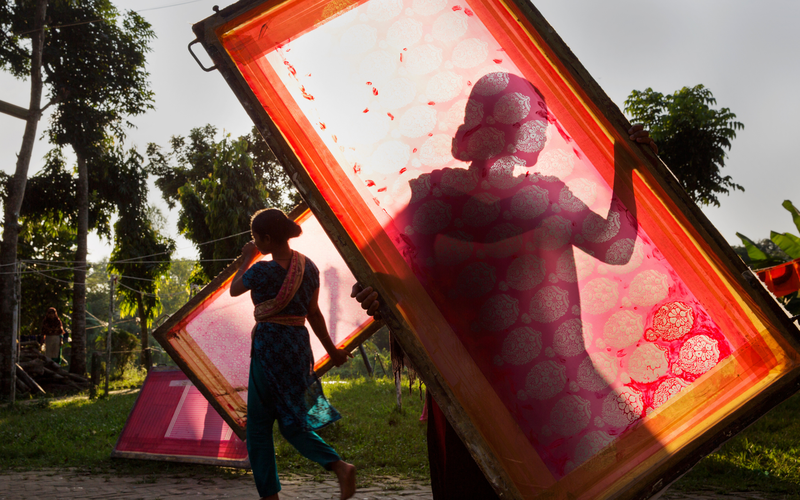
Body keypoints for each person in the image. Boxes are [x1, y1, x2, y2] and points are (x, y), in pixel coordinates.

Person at [350, 71, 656, 498]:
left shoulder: (544, 195)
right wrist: (376, 294)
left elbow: (616, 249)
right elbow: (397, 280)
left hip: (544, 390)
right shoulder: (434, 195)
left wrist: (626, 166)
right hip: (470, 390)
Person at [230, 208, 357, 500]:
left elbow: (235, 289)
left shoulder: (261, 270)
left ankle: (270, 497)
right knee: (292, 421)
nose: (255, 243)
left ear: (267, 238)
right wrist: (332, 351)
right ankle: (338, 466)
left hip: (269, 349)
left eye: (256, 239)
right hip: (298, 349)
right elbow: (313, 313)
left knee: (259, 429)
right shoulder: (307, 266)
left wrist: (246, 259)